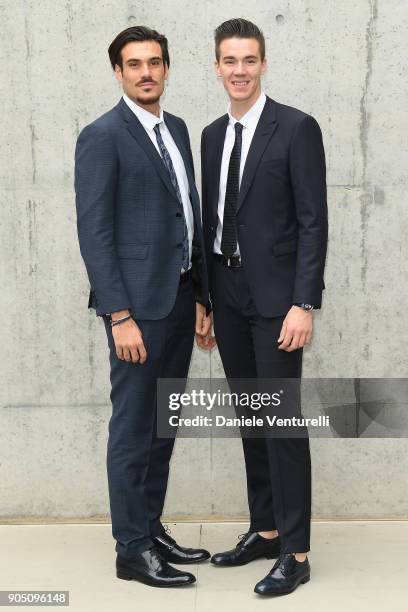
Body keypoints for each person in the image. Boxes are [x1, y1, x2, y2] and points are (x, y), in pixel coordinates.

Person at [75, 26, 212, 588]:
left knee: (163, 424)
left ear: (167, 68)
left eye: (155, 63)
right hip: (136, 311)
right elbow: (95, 233)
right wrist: (118, 315)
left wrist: (203, 295)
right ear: (118, 73)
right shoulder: (102, 136)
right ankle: (131, 549)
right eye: (134, 65)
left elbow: (188, 214)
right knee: (133, 429)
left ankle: (151, 529)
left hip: (180, 301)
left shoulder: (175, 129)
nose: (146, 73)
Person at [199, 18, 328, 596]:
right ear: (217, 66)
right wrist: (204, 296)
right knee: (253, 419)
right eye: (230, 60)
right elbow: (210, 225)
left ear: (264, 64)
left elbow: (312, 223)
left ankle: (296, 554)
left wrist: (304, 302)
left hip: (278, 301)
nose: (239, 71)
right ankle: (268, 529)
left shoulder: (296, 128)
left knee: (281, 424)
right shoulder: (209, 136)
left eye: (249, 60)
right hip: (226, 294)